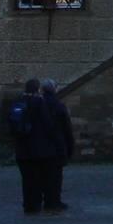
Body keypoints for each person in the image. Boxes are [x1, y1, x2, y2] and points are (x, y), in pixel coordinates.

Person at [10, 78, 63, 215]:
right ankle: (44, 204)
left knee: (27, 180)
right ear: (37, 89)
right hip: (39, 148)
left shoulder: (17, 102)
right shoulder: (39, 102)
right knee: (43, 177)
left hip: (22, 149)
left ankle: (30, 206)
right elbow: (48, 125)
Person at [40, 79, 76, 214]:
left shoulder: (40, 104)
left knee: (44, 175)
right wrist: (70, 146)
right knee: (55, 176)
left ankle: (47, 200)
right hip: (56, 145)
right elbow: (66, 128)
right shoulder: (58, 105)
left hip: (42, 145)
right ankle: (54, 201)